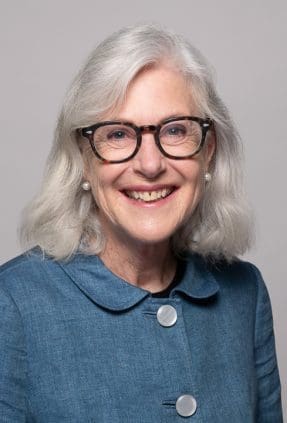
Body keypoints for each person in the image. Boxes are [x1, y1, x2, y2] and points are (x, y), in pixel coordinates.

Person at [0, 24, 283, 422]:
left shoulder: (244, 296)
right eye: (117, 134)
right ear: (84, 158)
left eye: (175, 130)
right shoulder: (11, 304)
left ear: (209, 151)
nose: (150, 165)